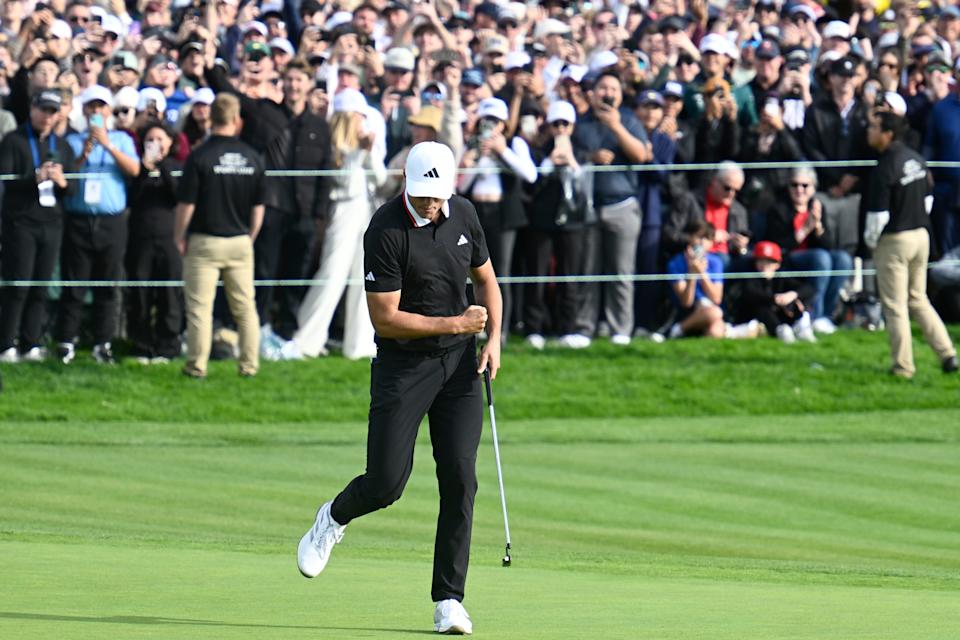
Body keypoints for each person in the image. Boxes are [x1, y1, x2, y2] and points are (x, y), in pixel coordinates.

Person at [296, 141, 502, 636]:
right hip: (403, 367)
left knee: (460, 479)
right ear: (407, 182)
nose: (432, 205)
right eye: (424, 194)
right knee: (386, 483)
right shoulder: (385, 230)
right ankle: (333, 517)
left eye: (439, 195)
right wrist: (457, 324)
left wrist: (493, 338)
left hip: (458, 370)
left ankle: (449, 600)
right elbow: (385, 320)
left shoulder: (464, 215)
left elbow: (487, 281)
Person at [174, 93, 265, 379]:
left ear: (211, 119)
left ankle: (196, 367)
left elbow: (186, 204)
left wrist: (179, 235)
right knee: (245, 308)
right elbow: (258, 208)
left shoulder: (199, 155)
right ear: (237, 120)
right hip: (239, 241)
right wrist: (249, 236)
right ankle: (249, 367)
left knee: (200, 309)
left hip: (205, 241)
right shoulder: (252, 157)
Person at [864, 110, 957, 378]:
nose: (869, 131)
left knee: (895, 305)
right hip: (921, 236)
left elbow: (878, 216)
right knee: (918, 299)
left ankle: (903, 367)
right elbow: (928, 201)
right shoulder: (916, 158)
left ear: (887, 134)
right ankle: (947, 353)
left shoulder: (885, 167)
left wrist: (872, 244)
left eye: (873, 127)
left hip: (896, 240)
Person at [293, 89, 385, 360]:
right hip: (343, 211)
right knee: (332, 273)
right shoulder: (334, 147)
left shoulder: (362, 146)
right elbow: (343, 180)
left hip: (366, 212)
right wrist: (359, 153)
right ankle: (307, 338)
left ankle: (359, 344)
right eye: (359, 117)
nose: (362, 122)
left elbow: (379, 179)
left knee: (363, 277)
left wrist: (367, 153)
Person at [56, 85, 141, 365]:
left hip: (111, 221)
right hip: (79, 220)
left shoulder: (122, 139)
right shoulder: (72, 142)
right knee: (74, 283)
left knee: (107, 284)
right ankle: (66, 341)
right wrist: (85, 154)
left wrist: (107, 145)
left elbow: (133, 170)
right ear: (84, 110)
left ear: (108, 111)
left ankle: (102, 343)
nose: (96, 111)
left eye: (101, 107)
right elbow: (67, 177)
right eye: (91, 107)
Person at [0, 91, 76, 363]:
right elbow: (7, 181)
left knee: (41, 285)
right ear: (32, 109)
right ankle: (6, 343)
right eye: (43, 110)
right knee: (18, 284)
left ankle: (31, 343)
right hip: (21, 222)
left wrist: (62, 182)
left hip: (52, 223)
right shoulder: (14, 140)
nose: (47, 116)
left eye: (52, 111)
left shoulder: (63, 146)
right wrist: (35, 178)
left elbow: (72, 188)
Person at [763, 166, 853, 333]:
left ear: (813, 188)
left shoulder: (817, 207)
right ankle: (815, 316)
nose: (799, 190)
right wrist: (804, 230)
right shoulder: (778, 209)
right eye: (794, 185)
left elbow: (829, 245)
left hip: (816, 258)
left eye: (805, 186)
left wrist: (818, 226)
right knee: (821, 258)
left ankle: (827, 315)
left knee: (843, 259)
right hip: (791, 258)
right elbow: (778, 246)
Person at [126, 122, 183, 363]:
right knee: (140, 292)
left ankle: (167, 344)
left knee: (169, 293)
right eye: (150, 140)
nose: (156, 144)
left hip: (169, 239)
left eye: (161, 139)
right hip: (140, 238)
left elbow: (179, 196)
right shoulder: (137, 170)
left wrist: (164, 169)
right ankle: (141, 344)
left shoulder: (177, 168)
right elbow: (131, 198)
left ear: (170, 143)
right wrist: (145, 171)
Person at [732, 241, 817, 344]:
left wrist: (791, 295)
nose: (765, 265)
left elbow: (809, 289)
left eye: (769, 261)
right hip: (755, 318)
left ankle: (800, 327)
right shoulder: (750, 277)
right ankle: (781, 330)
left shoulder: (781, 278)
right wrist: (774, 299)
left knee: (796, 302)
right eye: (761, 261)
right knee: (762, 306)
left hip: (782, 315)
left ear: (777, 264)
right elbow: (750, 293)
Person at [665, 220, 726, 339]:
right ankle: (678, 329)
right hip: (687, 312)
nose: (703, 242)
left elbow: (716, 298)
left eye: (707, 238)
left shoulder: (715, 262)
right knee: (715, 313)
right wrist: (692, 273)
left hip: (709, 308)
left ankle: (681, 332)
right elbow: (686, 302)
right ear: (690, 237)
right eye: (699, 237)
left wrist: (702, 273)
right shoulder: (675, 263)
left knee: (716, 331)